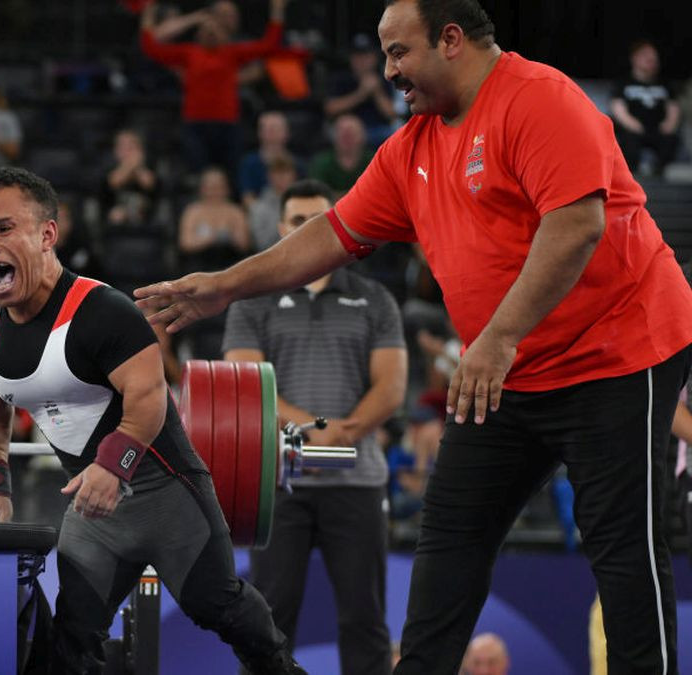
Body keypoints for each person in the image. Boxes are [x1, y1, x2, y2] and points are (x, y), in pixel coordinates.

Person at [134, 1, 692, 672]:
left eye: (399, 52)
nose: (390, 70)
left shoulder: (538, 98)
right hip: (509, 372)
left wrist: (497, 337)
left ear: (451, 39)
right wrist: (224, 285)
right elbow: (332, 234)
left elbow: (576, 226)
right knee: (449, 540)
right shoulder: (411, 149)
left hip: (617, 356)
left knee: (624, 553)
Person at [0, 167, 304, 675]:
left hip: (168, 497)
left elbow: (148, 397)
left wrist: (113, 467)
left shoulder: (103, 312)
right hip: (96, 514)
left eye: (1, 228)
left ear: (47, 234)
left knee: (218, 606)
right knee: (69, 643)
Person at [224, 179, 406, 674]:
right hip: (279, 483)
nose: (307, 230)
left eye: (318, 221)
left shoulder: (374, 299)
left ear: (337, 226)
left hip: (358, 481)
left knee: (367, 621)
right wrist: (317, 430)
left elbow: (391, 389)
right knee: (267, 620)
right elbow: (246, 382)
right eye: (297, 222)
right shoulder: (251, 300)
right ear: (281, 228)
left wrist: (342, 434)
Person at [139, 0, 286, 179]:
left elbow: (269, 45)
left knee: (231, 175)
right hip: (196, 124)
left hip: (226, 123)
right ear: (199, 33)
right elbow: (151, 48)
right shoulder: (189, 53)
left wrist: (277, 10)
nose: (211, 33)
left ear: (224, 32)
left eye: (215, 29)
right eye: (206, 29)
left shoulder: (232, 53)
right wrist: (147, 14)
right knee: (198, 175)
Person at [609, 40, 681, 175]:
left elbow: (673, 107)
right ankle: (631, 177)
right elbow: (617, 107)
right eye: (646, 56)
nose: (651, 60)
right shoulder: (624, 83)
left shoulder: (664, 84)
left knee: (671, 141)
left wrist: (669, 124)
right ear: (634, 58)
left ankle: (658, 174)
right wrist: (631, 124)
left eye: (654, 57)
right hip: (633, 129)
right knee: (628, 144)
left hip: (658, 129)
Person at [324, 34, 398, 146]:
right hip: (347, 129)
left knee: (395, 135)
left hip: (377, 130)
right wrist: (361, 94)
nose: (361, 61)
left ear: (374, 57)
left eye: (366, 56)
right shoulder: (342, 78)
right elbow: (330, 109)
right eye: (357, 56)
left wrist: (377, 92)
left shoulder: (386, 76)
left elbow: (392, 114)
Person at [178, 167, 250, 273]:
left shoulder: (235, 211)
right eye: (211, 187)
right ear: (202, 189)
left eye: (218, 187)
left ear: (226, 189)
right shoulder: (193, 211)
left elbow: (244, 244)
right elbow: (185, 243)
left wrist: (229, 235)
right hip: (199, 267)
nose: (214, 191)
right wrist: (211, 238)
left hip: (230, 265)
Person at [100, 129, 157, 229]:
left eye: (131, 147)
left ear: (141, 150)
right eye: (122, 147)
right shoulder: (107, 168)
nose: (127, 151)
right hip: (115, 220)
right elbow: (114, 182)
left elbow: (148, 183)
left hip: (145, 219)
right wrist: (130, 165)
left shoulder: (151, 167)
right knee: (116, 216)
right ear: (115, 151)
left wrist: (137, 167)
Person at [238, 111, 293, 208]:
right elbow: (247, 196)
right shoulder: (249, 163)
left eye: (276, 129)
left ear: (286, 132)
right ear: (259, 133)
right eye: (267, 129)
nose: (272, 133)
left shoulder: (297, 163)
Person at [308, 114, 374, 193]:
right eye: (342, 135)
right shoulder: (321, 162)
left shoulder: (373, 161)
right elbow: (317, 194)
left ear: (362, 136)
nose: (346, 139)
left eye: (351, 134)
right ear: (333, 136)